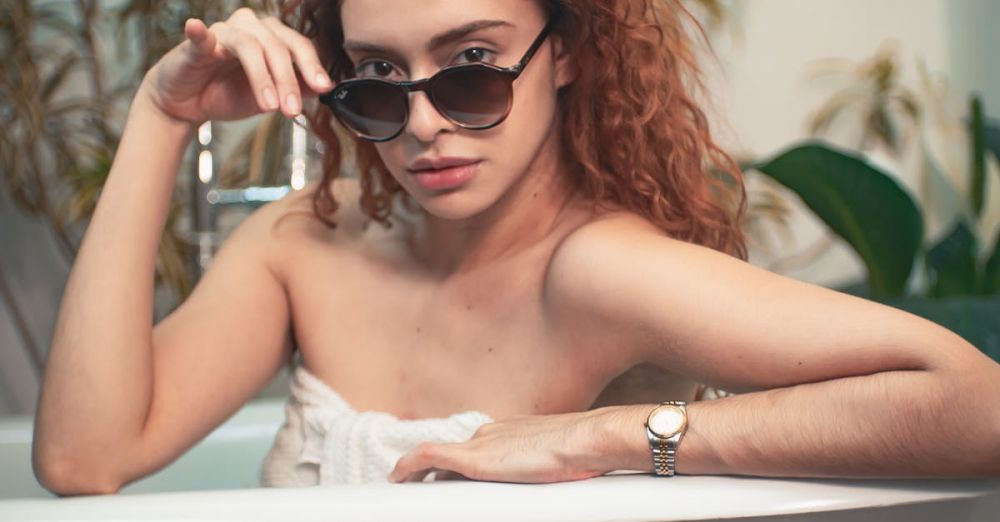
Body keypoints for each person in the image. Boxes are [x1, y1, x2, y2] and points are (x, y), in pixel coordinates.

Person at [32, 0, 1000, 495]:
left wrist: (608, 433)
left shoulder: (594, 273)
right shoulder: (305, 245)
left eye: (470, 70)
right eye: (375, 77)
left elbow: (976, 406)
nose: (420, 127)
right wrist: (164, 116)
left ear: (568, 47)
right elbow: (82, 458)